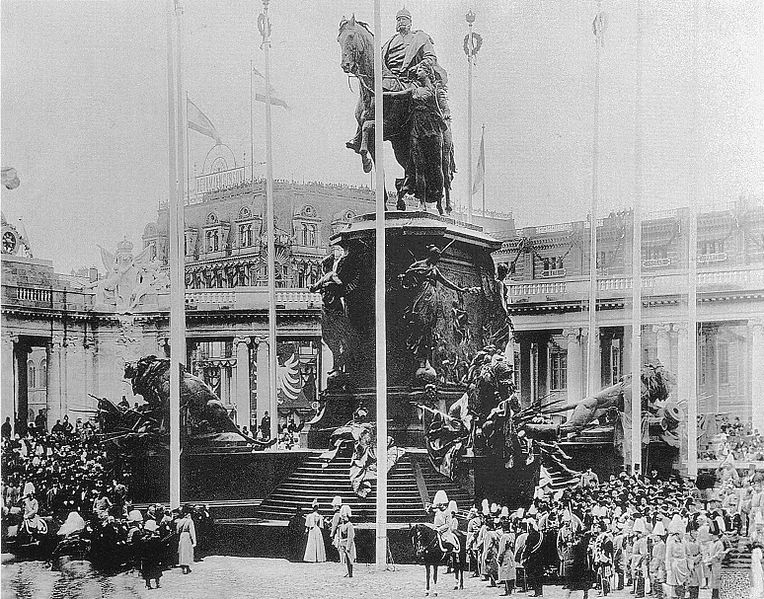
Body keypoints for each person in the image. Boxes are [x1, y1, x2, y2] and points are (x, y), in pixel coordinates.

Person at [140, 519, 163, 589]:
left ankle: (149, 584)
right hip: (154, 556)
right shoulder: (155, 538)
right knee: (155, 569)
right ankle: (156, 583)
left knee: (148, 570)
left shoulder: (144, 538)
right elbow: (159, 548)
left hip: (147, 557)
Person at [497, 521, 516, 596]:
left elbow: (502, 548)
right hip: (510, 553)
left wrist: (499, 557)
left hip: (505, 554)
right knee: (510, 572)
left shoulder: (504, 537)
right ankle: (510, 589)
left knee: (506, 572)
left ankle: (507, 590)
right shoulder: (512, 535)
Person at [177, 504, 197, 574]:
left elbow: (177, 531)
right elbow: (192, 532)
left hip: (182, 536)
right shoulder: (190, 521)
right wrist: (194, 541)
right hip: (187, 536)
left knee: (182, 551)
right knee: (187, 551)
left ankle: (184, 566)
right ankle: (187, 566)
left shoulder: (180, 521)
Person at [337, 504, 356, 578]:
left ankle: (350, 573)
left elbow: (350, 537)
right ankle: (348, 571)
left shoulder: (349, 525)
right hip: (343, 543)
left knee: (350, 559)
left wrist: (348, 547)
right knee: (345, 559)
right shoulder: (342, 525)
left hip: (348, 543)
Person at [329, 495, 343, 562]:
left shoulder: (336, 514)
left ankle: (340, 559)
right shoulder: (341, 513)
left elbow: (335, 525)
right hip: (342, 530)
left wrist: (331, 534)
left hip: (338, 531)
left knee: (338, 546)